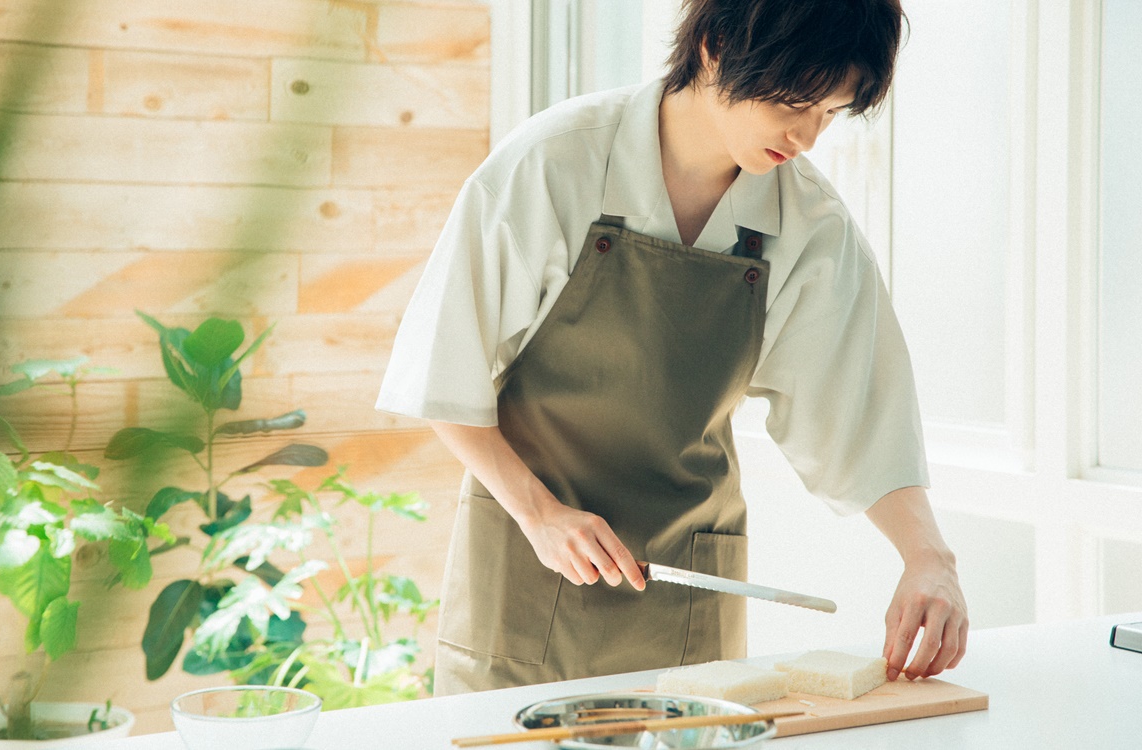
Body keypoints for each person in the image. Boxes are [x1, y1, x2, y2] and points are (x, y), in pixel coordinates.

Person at [376, 0, 968, 696]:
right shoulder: (553, 163)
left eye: (830, 112)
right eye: (793, 100)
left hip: (690, 581)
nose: (807, 136)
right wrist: (541, 515)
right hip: (527, 561)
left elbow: (861, 409)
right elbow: (446, 372)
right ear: (715, 46)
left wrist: (930, 559)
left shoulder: (809, 225)